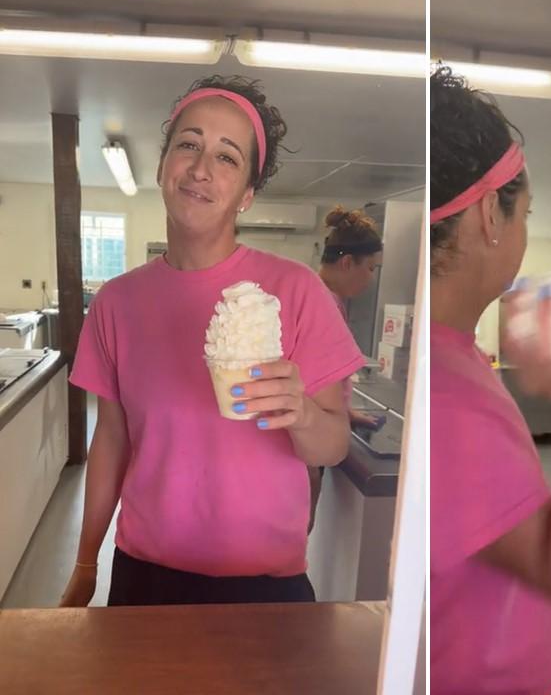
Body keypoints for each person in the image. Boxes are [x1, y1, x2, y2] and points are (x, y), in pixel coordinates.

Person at [59, 75, 363, 607]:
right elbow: (110, 440)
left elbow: (333, 446)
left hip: (267, 586)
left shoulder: (295, 293)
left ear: (246, 194)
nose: (201, 168)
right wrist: (86, 564)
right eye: (189, 144)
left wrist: (305, 414)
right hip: (147, 576)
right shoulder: (116, 302)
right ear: (161, 166)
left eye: (227, 157)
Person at [429, 66, 551, 695]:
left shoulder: (454, 357)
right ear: (492, 211)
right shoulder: (450, 394)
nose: (523, 232)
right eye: (525, 214)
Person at [309, 206, 385, 533]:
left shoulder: (324, 297)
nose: (371, 278)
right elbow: (308, 382)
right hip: (307, 440)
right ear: (346, 263)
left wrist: (343, 411)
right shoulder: (320, 303)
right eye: (371, 268)